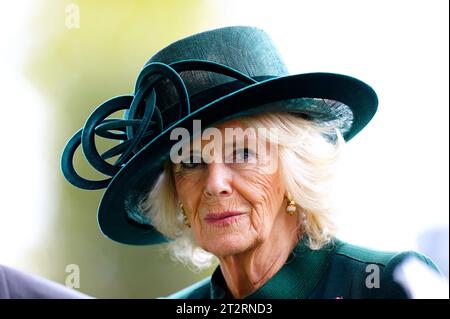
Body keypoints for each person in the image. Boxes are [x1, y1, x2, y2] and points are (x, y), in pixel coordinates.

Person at [61, 26, 442, 299]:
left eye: (242, 153)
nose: (215, 184)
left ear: (292, 167)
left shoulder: (385, 284)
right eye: (191, 162)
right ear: (175, 193)